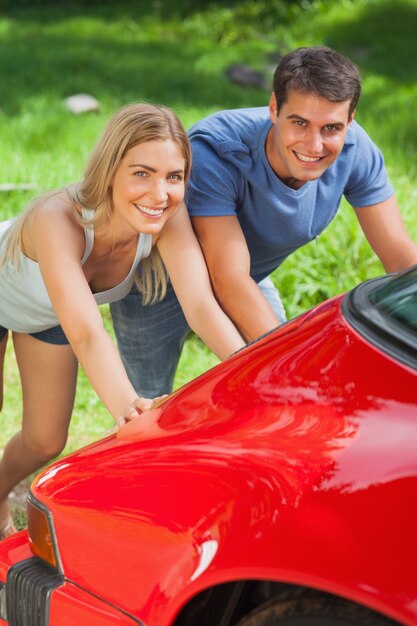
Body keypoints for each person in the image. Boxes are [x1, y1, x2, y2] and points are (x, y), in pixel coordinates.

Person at [110, 45, 417, 398]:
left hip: (247, 275)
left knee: (273, 395)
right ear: (274, 108)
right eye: (299, 122)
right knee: (145, 407)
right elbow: (227, 278)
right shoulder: (218, 150)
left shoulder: (355, 150)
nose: (314, 144)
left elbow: (399, 256)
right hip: (155, 286)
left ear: (351, 121)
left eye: (331, 127)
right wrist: (294, 366)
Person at [0, 102, 245, 539]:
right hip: (23, 298)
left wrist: (254, 372)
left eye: (174, 176)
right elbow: (87, 333)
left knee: (44, 441)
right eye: (142, 173)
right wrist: (131, 412)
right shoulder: (57, 219)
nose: (159, 193)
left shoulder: (165, 216)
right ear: (110, 170)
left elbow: (201, 306)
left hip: (45, 315)